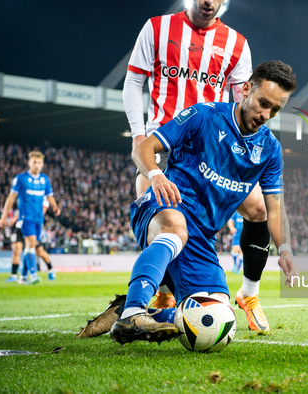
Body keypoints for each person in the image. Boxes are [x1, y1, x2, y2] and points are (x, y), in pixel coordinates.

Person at [104, 61, 298, 344]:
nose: (265, 114)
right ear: (245, 89)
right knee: (176, 226)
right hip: (163, 209)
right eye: (262, 103)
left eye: (275, 110)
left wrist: (285, 249)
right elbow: (143, 149)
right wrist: (156, 176)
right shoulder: (204, 115)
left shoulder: (269, 150)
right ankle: (134, 310)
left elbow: (275, 209)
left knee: (219, 320)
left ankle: (135, 315)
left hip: (202, 240)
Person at [123, 0, 274, 331]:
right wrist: (138, 135)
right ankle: (161, 294)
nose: (209, 1)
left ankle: (249, 293)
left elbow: (242, 100)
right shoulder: (157, 27)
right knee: (164, 217)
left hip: (211, 145)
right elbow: (134, 83)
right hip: (165, 141)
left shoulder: (236, 43)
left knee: (259, 208)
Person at [0, 151, 60, 285]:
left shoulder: (45, 179)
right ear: (29, 163)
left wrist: (55, 206)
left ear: (42, 164)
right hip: (26, 217)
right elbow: (11, 197)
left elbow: (49, 196)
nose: (36, 165)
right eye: (34, 162)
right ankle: (33, 275)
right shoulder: (21, 178)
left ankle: (23, 277)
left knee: (31, 247)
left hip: (39, 219)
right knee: (30, 244)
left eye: (39, 163)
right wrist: (4, 217)